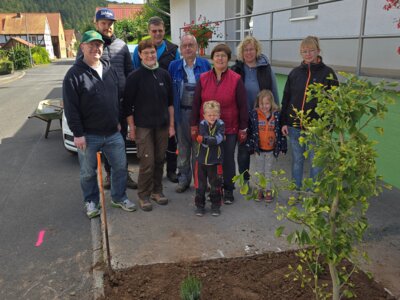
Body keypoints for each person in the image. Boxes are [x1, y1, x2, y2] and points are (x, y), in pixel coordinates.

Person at [63, 30, 136, 218]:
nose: (96, 48)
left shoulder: (108, 68)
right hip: (88, 135)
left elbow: (115, 98)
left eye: (99, 45)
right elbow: (71, 108)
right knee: (88, 173)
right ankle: (91, 202)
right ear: (82, 47)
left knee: (120, 167)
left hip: (113, 132)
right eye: (91, 44)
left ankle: (119, 198)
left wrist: (118, 122)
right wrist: (77, 134)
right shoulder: (73, 75)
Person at [79, 8, 137, 190]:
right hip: (100, 106)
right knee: (104, 141)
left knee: (120, 141)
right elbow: (79, 73)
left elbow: (130, 71)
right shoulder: (90, 46)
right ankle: (110, 175)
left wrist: (132, 95)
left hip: (121, 104)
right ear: (96, 24)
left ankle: (123, 174)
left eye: (110, 24)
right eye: (103, 23)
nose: (107, 27)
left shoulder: (122, 45)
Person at [191, 44, 248, 205]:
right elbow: (196, 103)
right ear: (212, 58)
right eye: (217, 55)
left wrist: (243, 127)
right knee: (210, 160)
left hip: (229, 127)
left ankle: (228, 189)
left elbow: (243, 105)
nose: (220, 58)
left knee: (228, 159)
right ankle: (214, 189)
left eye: (223, 56)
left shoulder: (236, 79)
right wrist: (194, 125)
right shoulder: (203, 78)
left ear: (228, 59)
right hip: (206, 128)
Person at [123, 39, 175, 212]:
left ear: (156, 53)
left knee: (160, 159)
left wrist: (171, 125)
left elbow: (170, 104)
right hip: (143, 127)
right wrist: (131, 127)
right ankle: (143, 195)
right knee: (147, 162)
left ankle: (157, 191)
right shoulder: (134, 77)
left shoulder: (164, 75)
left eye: (152, 52)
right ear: (140, 55)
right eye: (146, 53)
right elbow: (127, 106)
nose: (150, 55)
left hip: (162, 125)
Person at [280, 36, 338, 190]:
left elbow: (334, 102)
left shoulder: (328, 73)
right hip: (295, 126)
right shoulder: (295, 73)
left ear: (318, 51)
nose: (308, 54)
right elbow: (286, 99)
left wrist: (328, 126)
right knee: (297, 160)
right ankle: (296, 191)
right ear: (301, 53)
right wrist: (284, 122)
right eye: (304, 51)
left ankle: (312, 195)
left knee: (316, 162)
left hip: (317, 128)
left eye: (311, 50)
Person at [132, 16, 181, 183]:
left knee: (170, 139)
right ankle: (148, 184)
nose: (157, 34)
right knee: (150, 148)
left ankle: (172, 170)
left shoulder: (173, 49)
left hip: (167, 97)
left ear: (164, 30)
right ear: (149, 32)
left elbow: (177, 71)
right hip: (145, 103)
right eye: (154, 31)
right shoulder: (141, 49)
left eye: (160, 30)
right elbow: (135, 72)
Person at [231, 36, 279, 184]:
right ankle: (245, 180)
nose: (248, 52)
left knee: (264, 153)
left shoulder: (266, 68)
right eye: (245, 50)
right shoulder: (236, 69)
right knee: (244, 151)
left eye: (251, 49)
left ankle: (264, 184)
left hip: (262, 117)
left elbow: (274, 91)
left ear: (257, 50)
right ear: (241, 52)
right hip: (243, 117)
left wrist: (276, 113)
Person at [168, 34, 211, 193]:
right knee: (184, 149)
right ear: (181, 49)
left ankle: (200, 182)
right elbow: (169, 92)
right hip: (181, 114)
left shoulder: (205, 64)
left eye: (191, 45)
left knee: (199, 149)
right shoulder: (173, 66)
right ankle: (183, 180)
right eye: (184, 45)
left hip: (200, 115)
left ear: (196, 47)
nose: (187, 48)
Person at [245, 90, 287, 202]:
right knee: (260, 171)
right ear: (258, 103)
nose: (264, 106)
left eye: (267, 103)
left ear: (271, 103)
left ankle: (268, 190)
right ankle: (260, 190)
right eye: (262, 104)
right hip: (259, 150)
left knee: (269, 171)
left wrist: (283, 147)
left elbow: (280, 132)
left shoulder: (277, 115)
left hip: (271, 150)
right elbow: (250, 131)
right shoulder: (254, 115)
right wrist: (250, 147)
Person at [193, 101, 225, 217]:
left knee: (215, 185)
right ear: (204, 115)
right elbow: (205, 137)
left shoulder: (221, 124)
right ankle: (199, 206)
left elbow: (219, 139)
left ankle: (216, 206)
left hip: (215, 161)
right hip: (201, 161)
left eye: (214, 114)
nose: (212, 117)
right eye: (209, 115)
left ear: (219, 115)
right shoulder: (202, 124)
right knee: (200, 186)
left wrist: (206, 140)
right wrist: (210, 140)